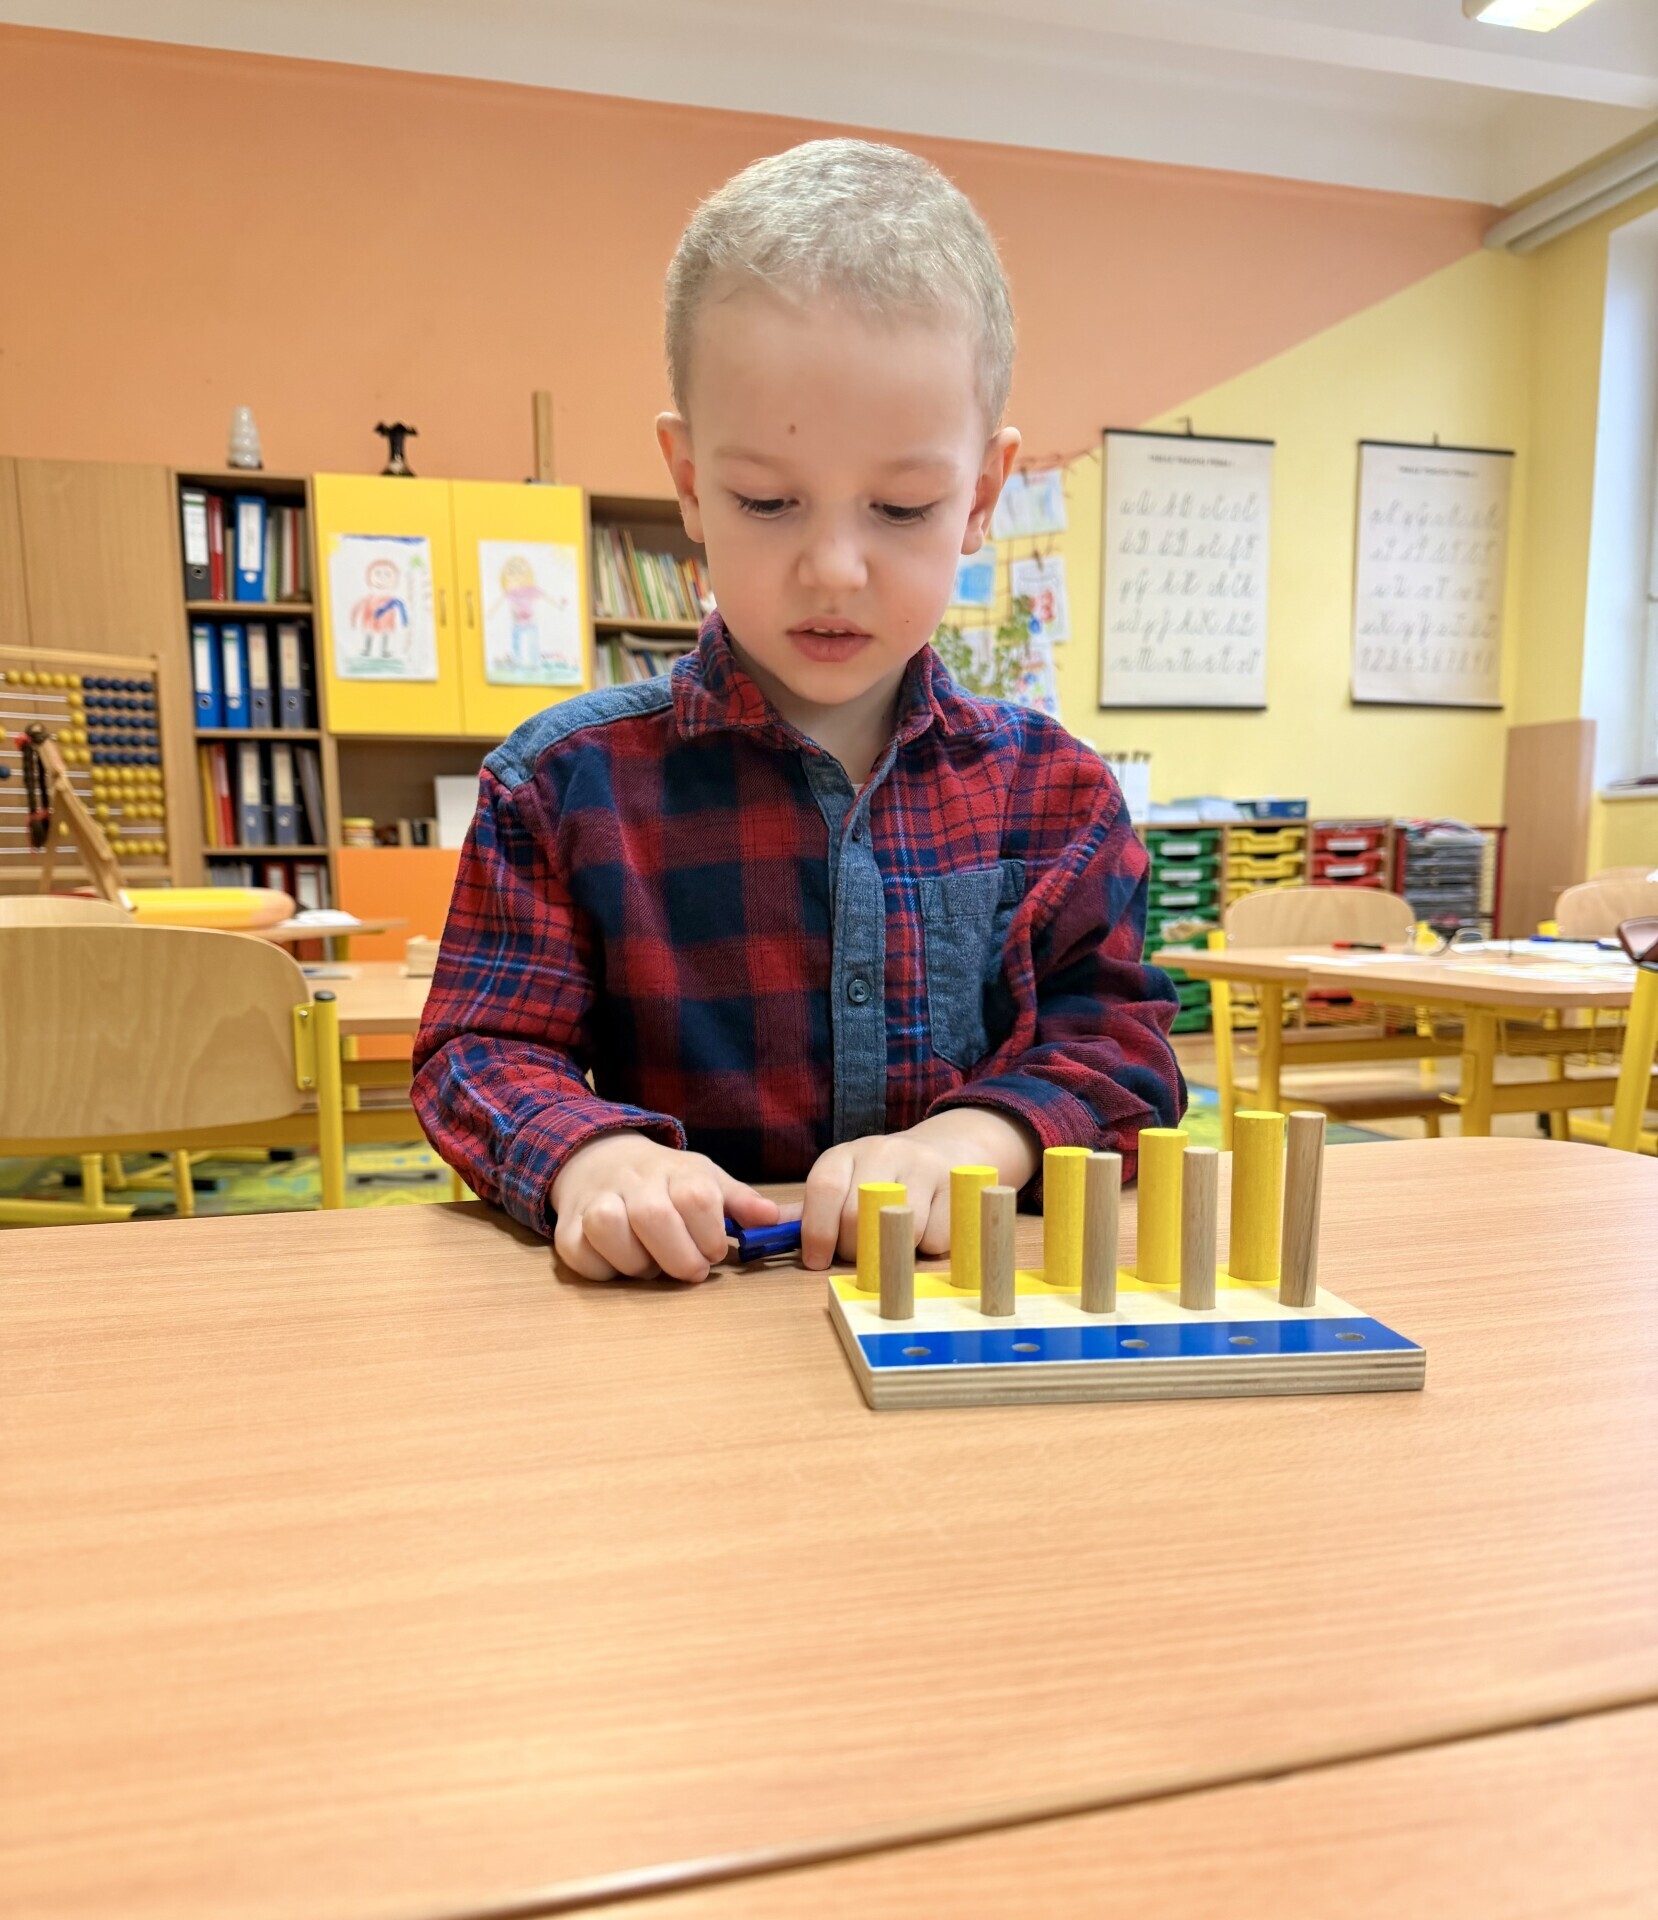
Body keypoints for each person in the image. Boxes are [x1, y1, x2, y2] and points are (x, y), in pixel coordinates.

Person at [413, 137, 1183, 1284]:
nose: (832, 569)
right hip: (678, 1321)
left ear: (979, 495)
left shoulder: (1055, 794)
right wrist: (594, 1158)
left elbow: (1120, 1047)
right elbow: (480, 1050)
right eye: (767, 501)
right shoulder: (562, 787)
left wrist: (975, 1140)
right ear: (687, 482)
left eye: (900, 507)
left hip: (962, 1320)